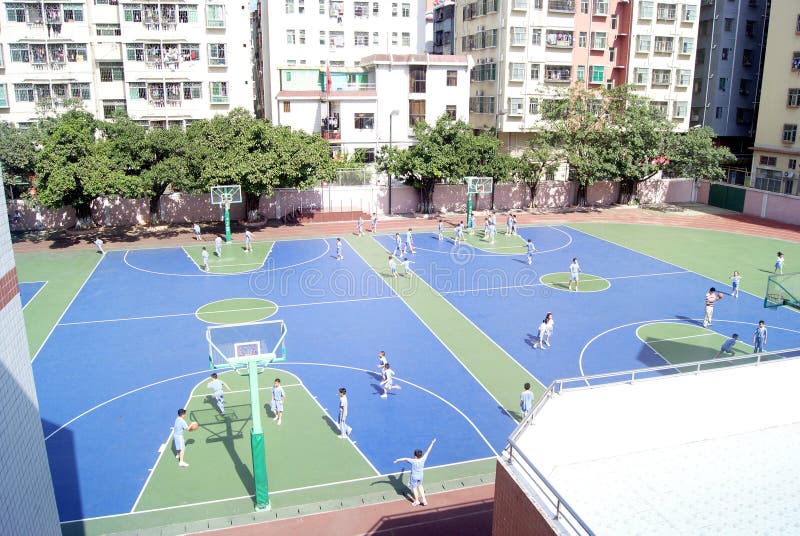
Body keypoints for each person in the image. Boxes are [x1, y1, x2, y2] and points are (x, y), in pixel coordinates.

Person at [393, 438, 437, 506]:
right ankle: (424, 500)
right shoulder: (423, 459)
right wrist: (432, 443)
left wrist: (397, 460)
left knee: (414, 488)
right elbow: (428, 451)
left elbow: (405, 458)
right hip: (421, 476)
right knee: (420, 486)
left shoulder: (413, 461)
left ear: (415, 456)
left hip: (414, 477)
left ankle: (417, 501)